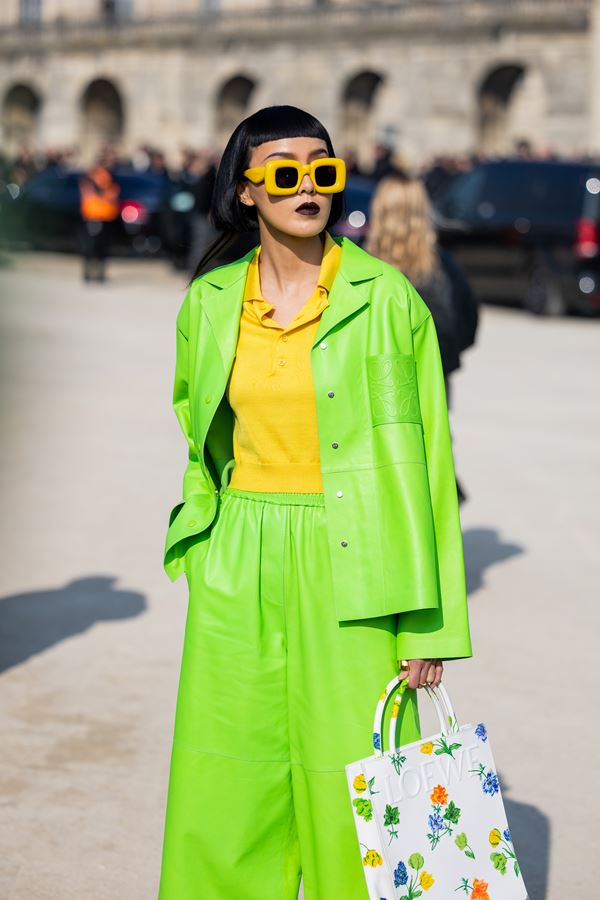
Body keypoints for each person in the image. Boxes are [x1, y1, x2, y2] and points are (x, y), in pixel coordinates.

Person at [158, 105, 472, 900]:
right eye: (287, 173)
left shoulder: (389, 300)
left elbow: (429, 460)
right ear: (247, 193)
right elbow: (200, 438)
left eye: (323, 170)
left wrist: (429, 621)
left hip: (359, 569)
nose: (309, 187)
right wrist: (205, 542)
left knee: (360, 808)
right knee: (228, 797)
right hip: (240, 563)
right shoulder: (209, 304)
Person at [366, 172, 479, 504]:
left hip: (371, 380)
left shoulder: (357, 266)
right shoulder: (443, 269)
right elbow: (466, 324)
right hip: (430, 379)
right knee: (427, 469)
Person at [77, 154, 120, 282]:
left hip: (105, 216)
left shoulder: (109, 178)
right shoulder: (96, 177)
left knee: (101, 246)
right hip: (95, 215)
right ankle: (90, 273)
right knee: (92, 246)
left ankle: (97, 273)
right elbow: (97, 192)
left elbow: (113, 194)